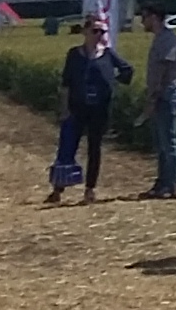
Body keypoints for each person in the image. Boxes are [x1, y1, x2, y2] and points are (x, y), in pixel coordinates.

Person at [49, 17, 132, 205]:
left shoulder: (109, 55)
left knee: (95, 149)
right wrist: (64, 108)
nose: (99, 35)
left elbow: (127, 70)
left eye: (102, 32)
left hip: (99, 110)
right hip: (77, 107)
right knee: (68, 147)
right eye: (95, 31)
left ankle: (90, 189)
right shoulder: (74, 55)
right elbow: (66, 84)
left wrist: (112, 81)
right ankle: (58, 188)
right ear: (85, 32)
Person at [140, 7, 176, 199]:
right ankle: (161, 182)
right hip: (159, 96)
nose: (142, 21)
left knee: (168, 142)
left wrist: (153, 96)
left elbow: (163, 71)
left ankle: (170, 184)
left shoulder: (168, 40)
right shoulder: (160, 39)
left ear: (155, 17)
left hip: (165, 96)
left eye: (145, 17)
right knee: (161, 143)